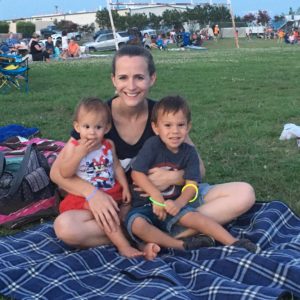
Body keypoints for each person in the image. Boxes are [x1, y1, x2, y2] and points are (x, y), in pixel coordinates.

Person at [50, 45, 256, 260]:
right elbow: (57, 173)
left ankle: (156, 235)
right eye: (123, 77)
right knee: (66, 228)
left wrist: (174, 177)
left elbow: (199, 167)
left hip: (170, 199)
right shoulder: (96, 117)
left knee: (244, 193)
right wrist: (93, 194)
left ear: (152, 78)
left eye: (139, 77)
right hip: (122, 206)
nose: (131, 86)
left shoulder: (164, 115)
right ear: (113, 80)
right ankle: (166, 234)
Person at [125, 95, 257, 253]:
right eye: (168, 125)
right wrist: (156, 197)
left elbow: (192, 186)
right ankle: (180, 245)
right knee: (136, 225)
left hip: (173, 204)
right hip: (145, 205)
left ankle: (234, 242)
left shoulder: (189, 153)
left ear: (188, 127)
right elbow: (136, 174)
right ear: (155, 128)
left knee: (195, 217)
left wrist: (179, 204)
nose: (175, 131)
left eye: (180, 125)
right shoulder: (152, 146)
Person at [57, 97, 143, 258]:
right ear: (77, 127)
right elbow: (64, 172)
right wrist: (79, 154)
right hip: (84, 198)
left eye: (97, 127)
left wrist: (125, 186)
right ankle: (124, 245)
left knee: (125, 208)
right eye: (86, 126)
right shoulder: (75, 147)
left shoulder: (108, 144)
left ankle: (136, 232)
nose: (91, 132)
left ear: (106, 127)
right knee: (106, 213)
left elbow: (116, 166)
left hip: (111, 191)